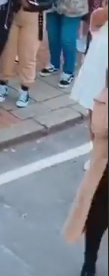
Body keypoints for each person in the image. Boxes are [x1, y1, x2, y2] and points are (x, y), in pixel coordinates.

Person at [64, 83, 108, 276]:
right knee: (97, 219)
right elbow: (98, 129)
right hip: (104, 174)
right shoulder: (104, 98)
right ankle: (89, 261)